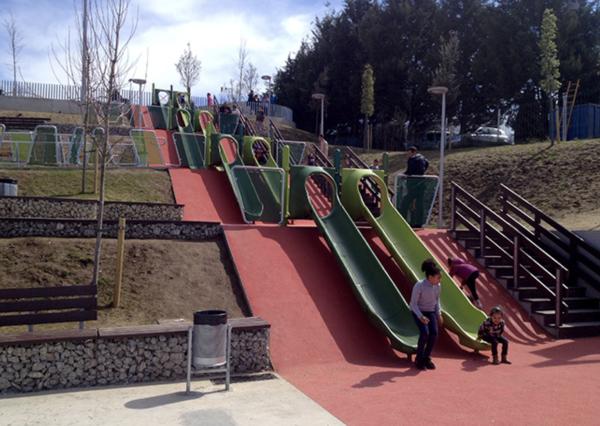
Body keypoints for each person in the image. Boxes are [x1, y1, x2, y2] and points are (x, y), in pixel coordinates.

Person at [410, 259, 443, 370]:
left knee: (434, 333)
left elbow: (437, 300)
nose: (440, 279)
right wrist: (421, 316)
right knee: (425, 333)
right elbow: (413, 304)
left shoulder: (438, 286)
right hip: (418, 311)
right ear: (430, 277)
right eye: (438, 277)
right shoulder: (419, 285)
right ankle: (419, 359)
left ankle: (426, 357)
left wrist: (438, 313)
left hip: (431, 311)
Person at [399, 146, 429, 228]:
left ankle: (403, 220)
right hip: (421, 184)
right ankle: (418, 222)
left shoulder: (412, 159)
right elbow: (426, 164)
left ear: (413, 152)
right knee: (419, 204)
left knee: (405, 202)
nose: (407, 154)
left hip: (414, 184)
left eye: (409, 152)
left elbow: (410, 171)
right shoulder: (422, 158)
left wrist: (406, 174)